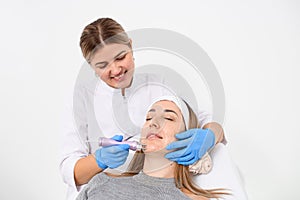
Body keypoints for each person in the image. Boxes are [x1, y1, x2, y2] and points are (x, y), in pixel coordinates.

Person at [59, 17, 225, 200]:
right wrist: (99, 161)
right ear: (91, 66)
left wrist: (209, 135)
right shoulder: (81, 98)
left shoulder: (157, 84)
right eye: (103, 65)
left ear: (130, 45)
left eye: (120, 57)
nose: (115, 70)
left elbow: (205, 121)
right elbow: (70, 170)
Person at [76, 96, 229, 200]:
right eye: (148, 118)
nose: (153, 123)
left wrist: (211, 134)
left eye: (168, 118)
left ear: (189, 136)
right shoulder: (102, 182)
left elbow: (216, 129)